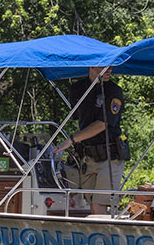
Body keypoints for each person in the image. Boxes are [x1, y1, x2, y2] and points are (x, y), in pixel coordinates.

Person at [53, 66, 129, 215]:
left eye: (111, 67)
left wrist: (71, 140)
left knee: (99, 205)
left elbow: (102, 124)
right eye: (105, 67)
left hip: (109, 156)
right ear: (92, 66)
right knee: (91, 205)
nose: (109, 71)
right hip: (87, 157)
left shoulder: (113, 91)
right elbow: (81, 120)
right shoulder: (77, 89)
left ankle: (103, 236)